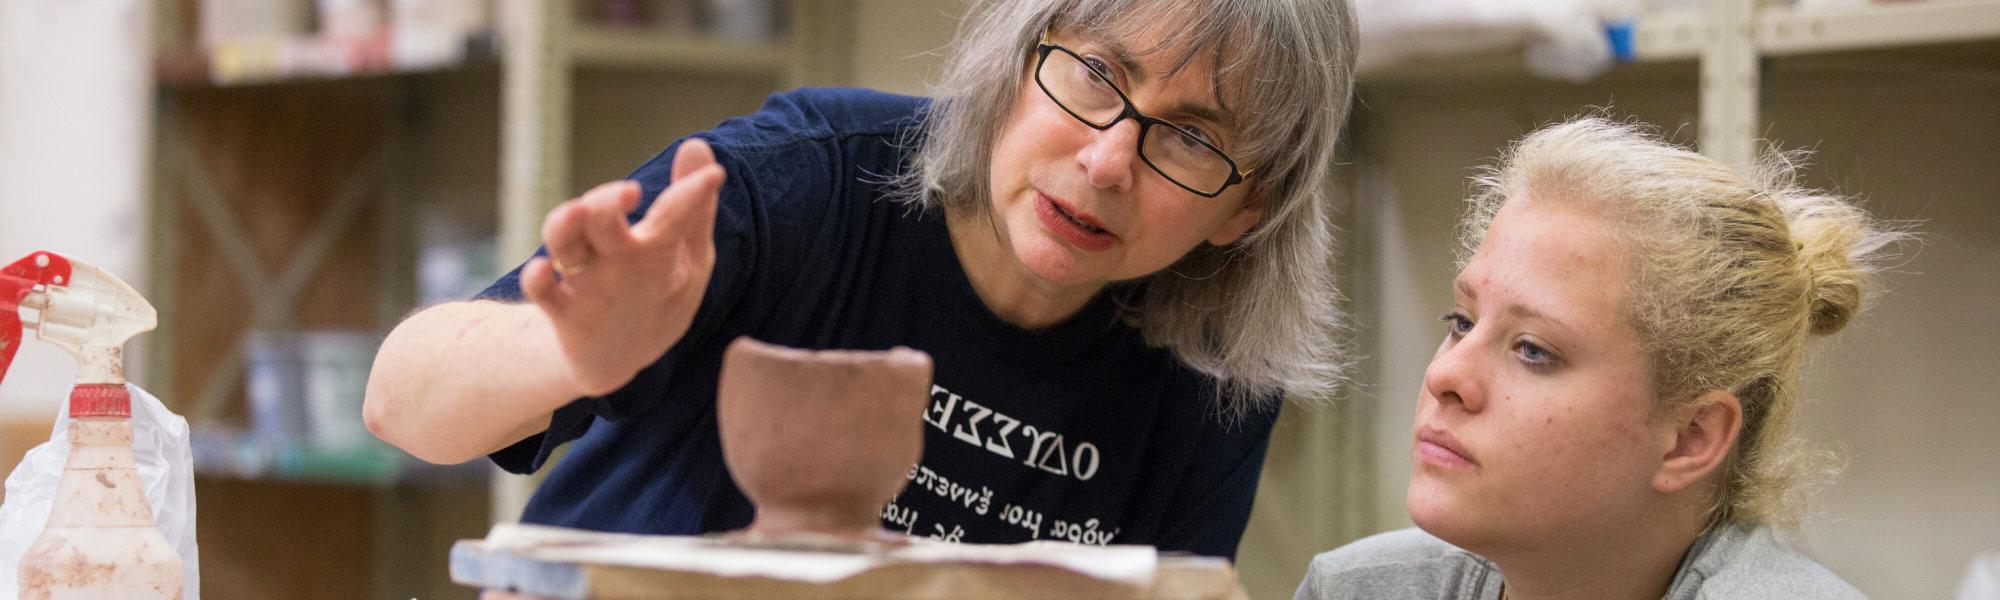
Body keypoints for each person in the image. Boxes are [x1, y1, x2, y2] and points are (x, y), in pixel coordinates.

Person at [364, 0, 1357, 559]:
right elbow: (402, 399)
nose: (1106, 162)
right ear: (1013, 59)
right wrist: (569, 350)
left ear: (1245, 207)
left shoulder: (1212, 375)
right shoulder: (811, 179)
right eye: (1094, 75)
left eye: (1188, 138)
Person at [1296, 117, 1901, 599]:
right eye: (1462, 322)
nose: (1444, 376)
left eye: (1533, 350)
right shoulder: (1355, 589)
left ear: (1690, 437)